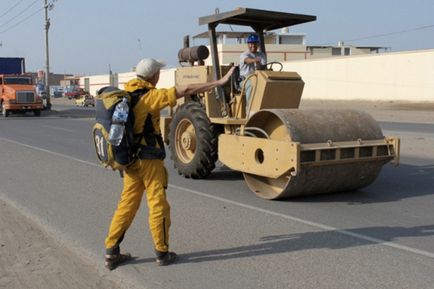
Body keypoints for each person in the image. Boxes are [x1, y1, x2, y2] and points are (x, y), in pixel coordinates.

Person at [104, 58, 235, 270]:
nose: (158, 76)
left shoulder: (127, 94)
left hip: (130, 162)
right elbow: (187, 89)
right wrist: (219, 82)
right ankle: (162, 253)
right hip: (149, 161)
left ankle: (111, 252)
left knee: (126, 205)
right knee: (158, 205)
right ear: (153, 75)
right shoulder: (151, 97)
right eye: (158, 73)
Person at [239, 34, 267, 106]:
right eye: (251, 43)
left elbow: (263, 67)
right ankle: (249, 109)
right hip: (245, 79)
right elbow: (247, 60)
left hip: (258, 78)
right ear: (248, 44)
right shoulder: (244, 55)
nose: (253, 45)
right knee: (251, 85)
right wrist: (255, 60)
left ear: (258, 44)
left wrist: (260, 64)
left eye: (255, 43)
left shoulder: (261, 55)